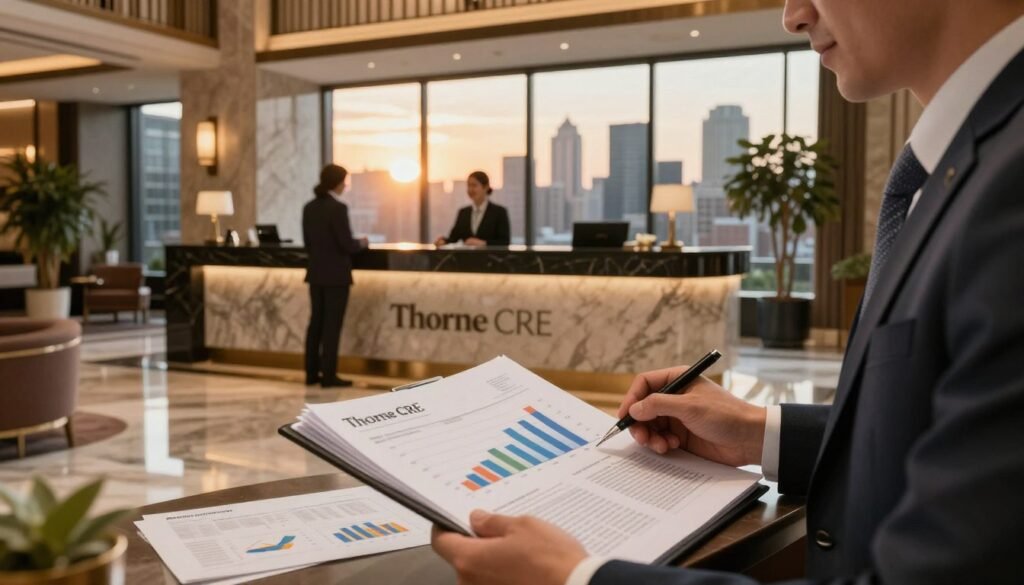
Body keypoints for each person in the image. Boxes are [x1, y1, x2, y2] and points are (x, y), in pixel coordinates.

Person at [432, 1, 1024, 584]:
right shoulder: (967, 166)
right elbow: (941, 434)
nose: (792, 15)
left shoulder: (1009, 191)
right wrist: (761, 430)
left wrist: (578, 579)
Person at [303, 164, 368, 389]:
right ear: (338, 183)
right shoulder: (337, 208)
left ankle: (311, 373)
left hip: (316, 274)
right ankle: (329, 376)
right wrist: (362, 243)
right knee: (332, 327)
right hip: (336, 277)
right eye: (345, 181)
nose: (346, 185)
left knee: (316, 324)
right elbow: (347, 244)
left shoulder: (309, 207)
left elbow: (308, 244)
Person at [434, 171, 511, 247]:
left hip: (490, 258)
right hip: (466, 258)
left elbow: (504, 241)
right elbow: (453, 238)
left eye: (474, 185)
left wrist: (484, 243)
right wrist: (443, 241)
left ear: (486, 187)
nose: (470, 189)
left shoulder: (499, 212)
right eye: (468, 185)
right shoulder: (463, 212)